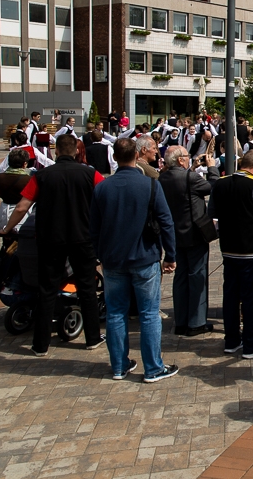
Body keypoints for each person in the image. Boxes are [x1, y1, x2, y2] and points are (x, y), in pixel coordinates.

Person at [1, 134, 106, 356]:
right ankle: (93, 338)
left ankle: (40, 344)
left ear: (56, 151)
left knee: (47, 289)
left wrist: (7, 228)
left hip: (51, 239)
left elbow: (21, 207)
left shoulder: (41, 176)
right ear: (76, 151)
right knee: (87, 287)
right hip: (82, 238)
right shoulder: (90, 174)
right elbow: (106, 199)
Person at [90, 138, 179, 382]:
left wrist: (99, 254)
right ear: (136, 155)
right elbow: (166, 222)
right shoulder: (150, 185)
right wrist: (170, 255)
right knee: (148, 313)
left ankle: (119, 365)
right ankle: (153, 367)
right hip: (144, 256)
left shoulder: (102, 187)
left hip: (113, 259)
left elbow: (94, 228)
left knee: (116, 313)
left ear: (114, 157)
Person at [208, 149, 253, 359]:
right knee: (251, 298)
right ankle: (251, 344)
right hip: (252, 249)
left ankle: (231, 340)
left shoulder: (220, 183)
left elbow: (212, 212)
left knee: (230, 296)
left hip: (229, 247)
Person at [159, 145, 218, 336]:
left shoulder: (163, 178)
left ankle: (181, 320)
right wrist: (211, 167)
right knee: (197, 276)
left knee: (180, 278)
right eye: (187, 156)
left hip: (174, 234)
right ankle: (196, 321)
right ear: (180, 160)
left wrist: (192, 168)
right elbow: (213, 186)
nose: (189, 158)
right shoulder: (190, 178)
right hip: (194, 233)